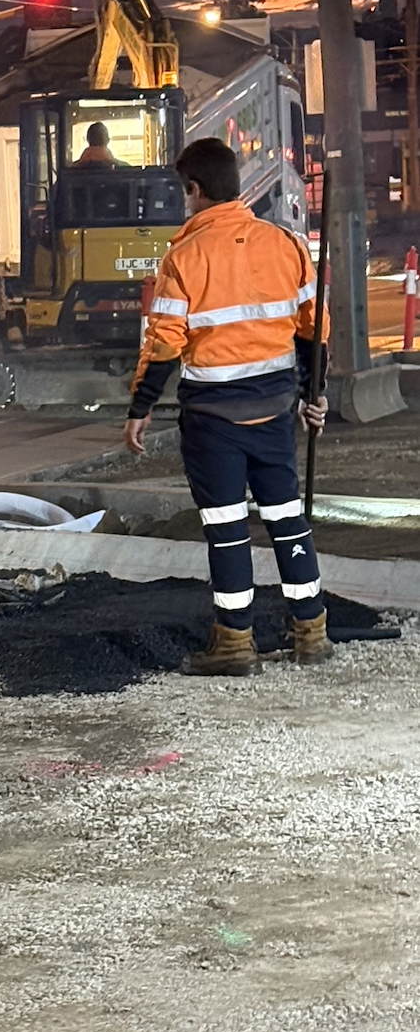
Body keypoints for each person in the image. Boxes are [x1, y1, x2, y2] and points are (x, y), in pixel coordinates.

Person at [124, 137, 329, 675]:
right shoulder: (283, 244)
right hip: (276, 411)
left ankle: (235, 645)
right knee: (287, 518)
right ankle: (311, 632)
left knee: (227, 527)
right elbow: (313, 329)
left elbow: (166, 342)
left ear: (193, 190)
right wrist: (314, 392)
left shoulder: (184, 256)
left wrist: (141, 406)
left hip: (213, 421)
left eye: (183, 192)